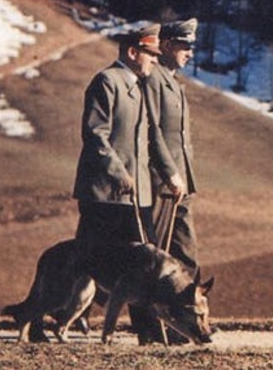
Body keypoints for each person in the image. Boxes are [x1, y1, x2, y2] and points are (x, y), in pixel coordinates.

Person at [71, 23, 165, 343]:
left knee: (143, 261)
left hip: (134, 196)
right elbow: (95, 135)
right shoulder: (107, 82)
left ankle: (149, 331)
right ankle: (53, 317)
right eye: (151, 54)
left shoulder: (138, 86)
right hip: (104, 195)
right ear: (132, 52)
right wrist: (119, 173)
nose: (155, 60)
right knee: (84, 263)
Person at [146, 18, 201, 274]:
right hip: (162, 183)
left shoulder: (172, 81)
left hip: (180, 183)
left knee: (185, 252)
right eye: (184, 46)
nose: (190, 53)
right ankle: (148, 315)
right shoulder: (153, 79)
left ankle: (186, 309)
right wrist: (169, 174)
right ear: (166, 45)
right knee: (154, 253)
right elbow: (152, 130)